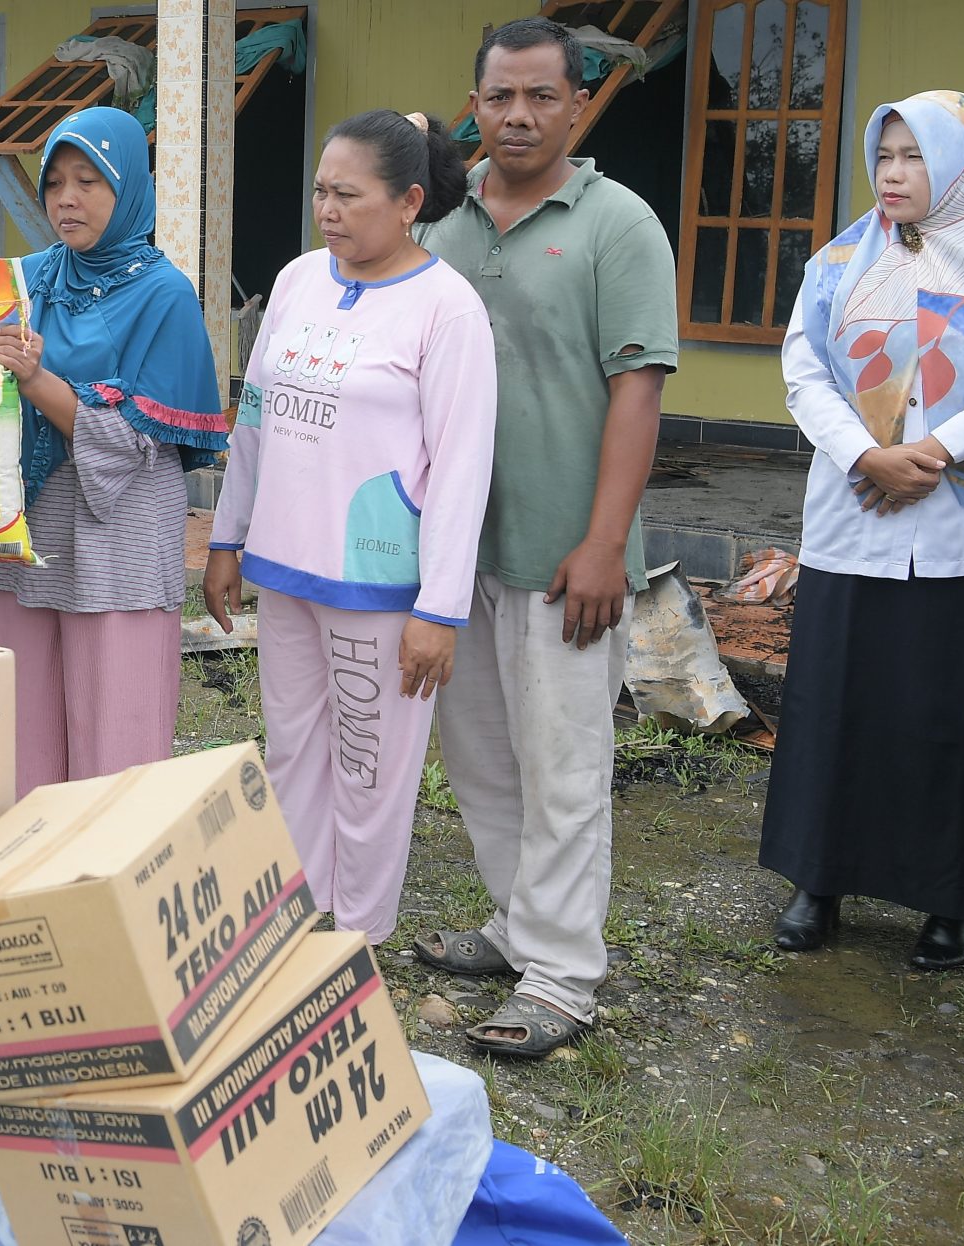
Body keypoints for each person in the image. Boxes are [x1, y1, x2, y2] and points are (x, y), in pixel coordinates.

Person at [410, 18, 677, 1060]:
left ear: (577, 105)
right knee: (479, 758)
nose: (517, 115)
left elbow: (638, 391)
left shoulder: (618, 224)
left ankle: (562, 977)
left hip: (568, 556)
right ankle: (518, 926)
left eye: (540, 96)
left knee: (563, 768)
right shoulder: (440, 218)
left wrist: (605, 541)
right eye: (499, 97)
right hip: (454, 553)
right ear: (474, 105)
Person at [760, 91, 964, 975]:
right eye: (885, 155)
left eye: (915, 155)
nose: (892, 174)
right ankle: (818, 881)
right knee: (835, 705)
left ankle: (952, 896)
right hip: (853, 517)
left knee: (952, 713)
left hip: (962, 528)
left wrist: (933, 449)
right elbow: (804, 372)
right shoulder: (839, 261)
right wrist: (867, 454)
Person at [202, 110, 497, 944]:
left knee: (369, 770)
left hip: (379, 582)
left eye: (348, 195)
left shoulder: (448, 309)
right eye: (320, 192)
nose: (327, 211)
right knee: (292, 750)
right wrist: (228, 536)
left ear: (408, 203)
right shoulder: (300, 279)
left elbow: (462, 467)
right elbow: (255, 417)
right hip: (285, 565)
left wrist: (439, 610)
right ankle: (296, 922)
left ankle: (357, 939)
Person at [0, 106, 226, 796]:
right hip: (25, 531)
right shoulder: (26, 281)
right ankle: (23, 865)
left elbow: (135, 438)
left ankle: (108, 868)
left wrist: (37, 379)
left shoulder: (164, 295)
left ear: (128, 186)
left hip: (120, 537)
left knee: (117, 742)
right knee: (16, 735)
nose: (67, 199)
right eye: (55, 183)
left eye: (89, 181)